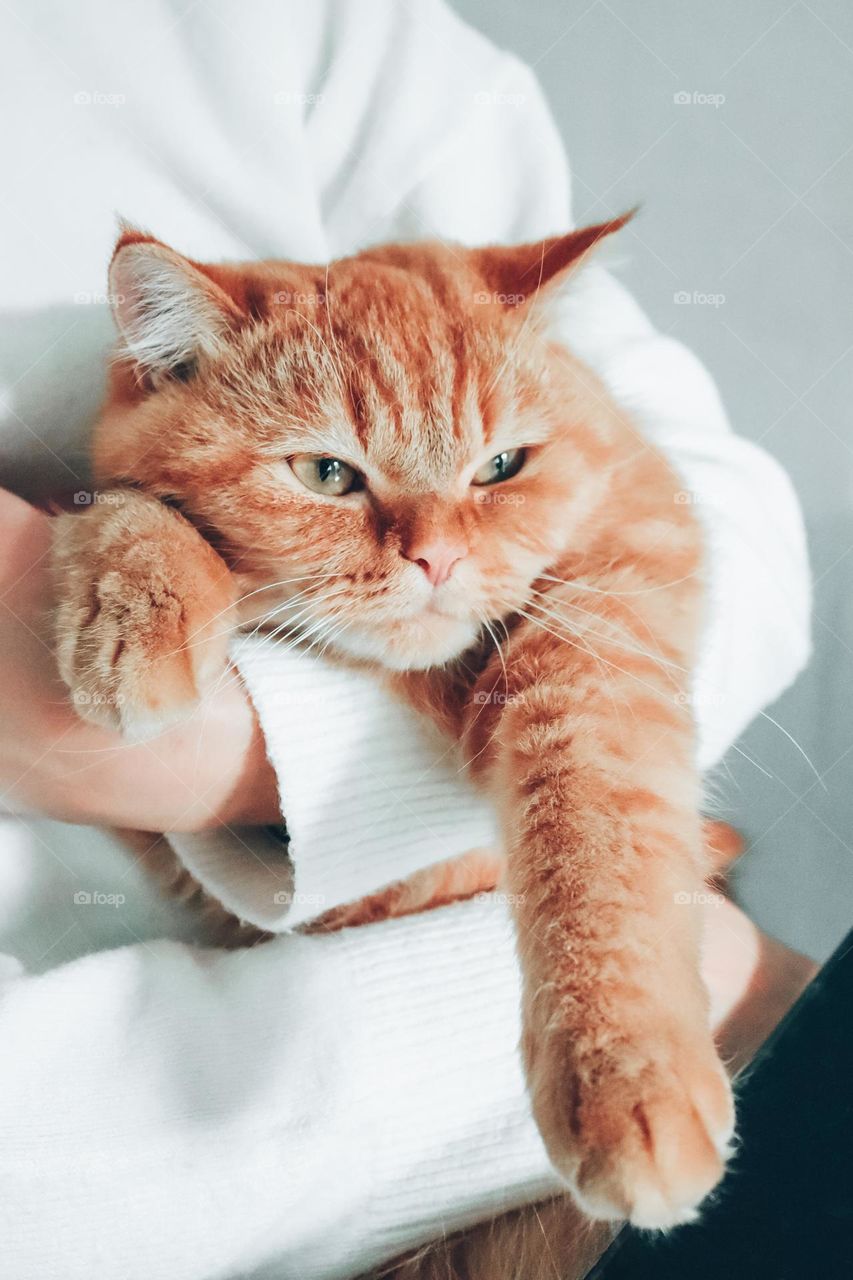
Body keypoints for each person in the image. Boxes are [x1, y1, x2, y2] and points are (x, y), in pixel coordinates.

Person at [0, 1, 812, 1276]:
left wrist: (225, 745)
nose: (432, 550)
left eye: (492, 468)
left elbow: (705, 498)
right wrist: (136, 541)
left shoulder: (304, 35)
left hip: (715, 1020)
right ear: (153, 362)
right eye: (333, 473)